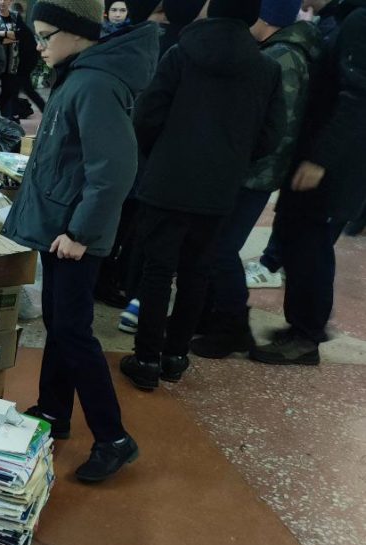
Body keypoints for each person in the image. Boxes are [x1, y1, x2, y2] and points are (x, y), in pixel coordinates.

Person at [1, 0, 157, 482]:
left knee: (73, 331)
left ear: (77, 32)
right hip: (61, 229)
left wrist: (80, 233)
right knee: (59, 322)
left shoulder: (95, 83)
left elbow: (112, 172)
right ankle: (53, 411)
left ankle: (113, 438)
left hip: (74, 236)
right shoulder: (80, 73)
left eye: (47, 35)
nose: (40, 46)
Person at [119, 0, 285, 390]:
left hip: (167, 181)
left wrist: (161, 153)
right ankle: (176, 357)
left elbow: (146, 115)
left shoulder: (181, 53)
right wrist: (234, 160)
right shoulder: (267, 68)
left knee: (158, 271)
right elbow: (271, 136)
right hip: (220, 188)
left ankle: (145, 360)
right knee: (197, 272)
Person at [191, 0, 322, 360]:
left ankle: (232, 327)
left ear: (264, 18)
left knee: (220, 248)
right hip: (253, 170)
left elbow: (276, 128)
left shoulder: (282, 58)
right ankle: (212, 317)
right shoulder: (279, 51)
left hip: (253, 173)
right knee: (215, 246)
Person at [250, 0, 366, 365]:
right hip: (321, 155)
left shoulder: (359, 21)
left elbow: (356, 99)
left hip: (334, 165)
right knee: (297, 238)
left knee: (310, 245)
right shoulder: (343, 18)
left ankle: (306, 335)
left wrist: (320, 159)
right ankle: (301, 325)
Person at [0, 0, 27, 119]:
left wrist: (0, 34)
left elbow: (21, 35)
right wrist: (9, 35)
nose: (2, 2)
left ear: (10, 1)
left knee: (8, 93)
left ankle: (1, 117)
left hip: (12, 63)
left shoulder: (16, 17)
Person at [14, 2, 48, 114]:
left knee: (26, 90)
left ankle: (45, 110)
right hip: (26, 63)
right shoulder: (23, 27)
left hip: (23, 64)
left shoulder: (18, 27)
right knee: (20, 90)